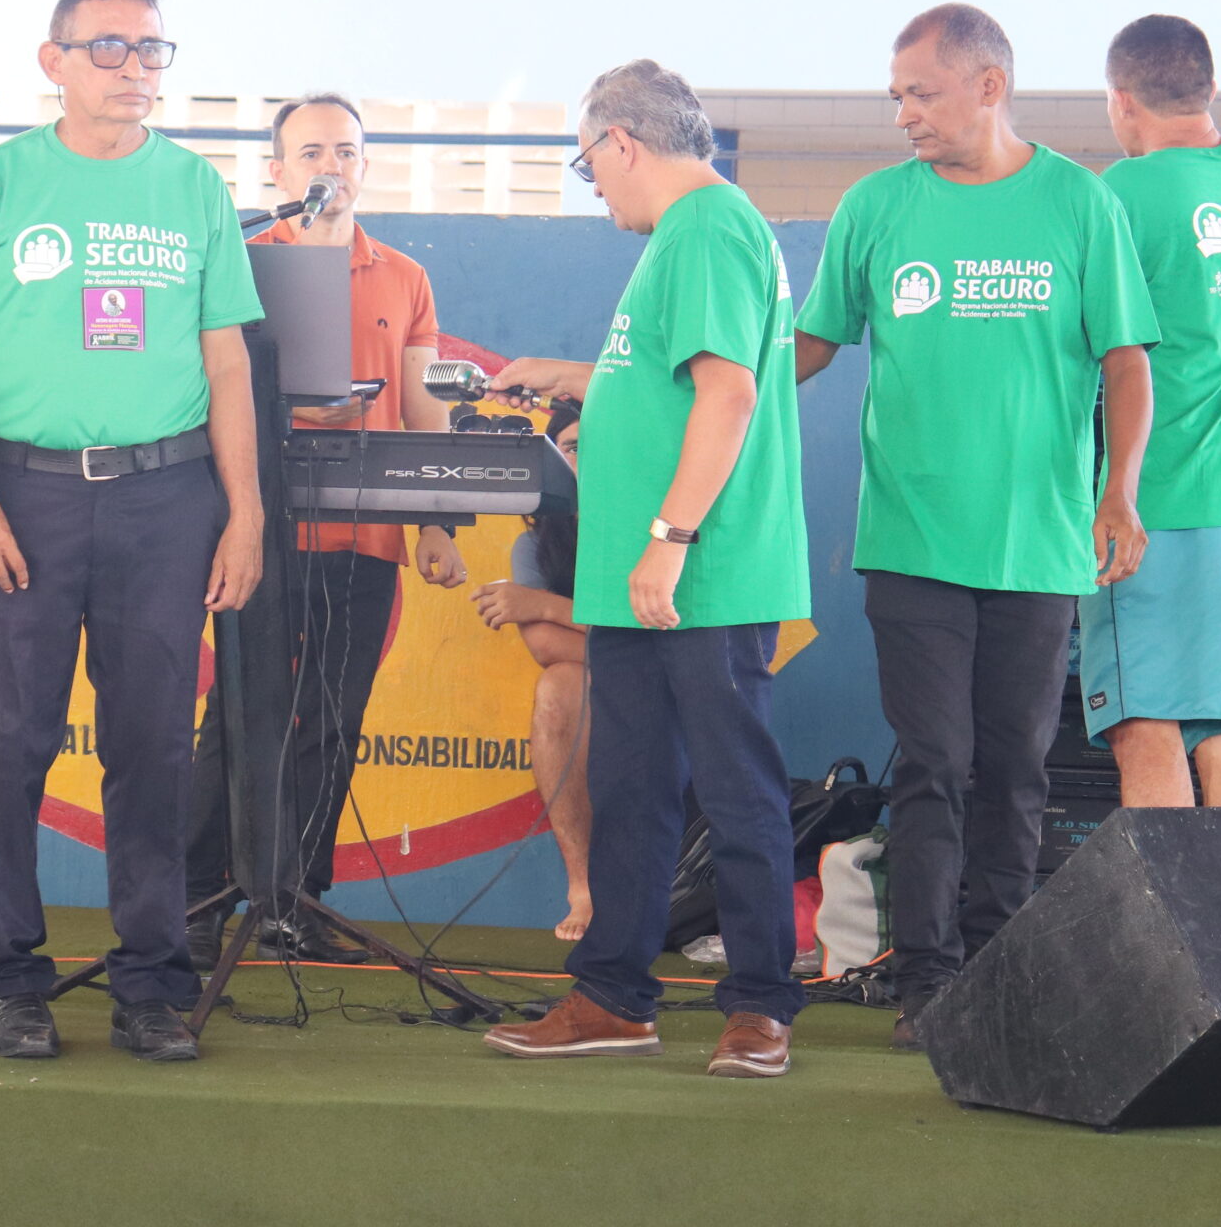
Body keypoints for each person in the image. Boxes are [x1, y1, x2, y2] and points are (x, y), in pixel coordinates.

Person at [792, 3, 1159, 1051]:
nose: (904, 113)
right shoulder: (874, 207)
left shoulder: (1080, 204)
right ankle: (930, 982)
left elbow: (1127, 360)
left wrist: (1119, 492)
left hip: (1038, 545)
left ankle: (997, 974)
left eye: (922, 92)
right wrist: (705, 399)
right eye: (896, 96)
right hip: (910, 540)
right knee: (932, 763)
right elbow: (810, 345)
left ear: (989, 86)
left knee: (1014, 768)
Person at [0, 0, 264, 1065]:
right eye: (109, 47)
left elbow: (226, 361)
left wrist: (246, 512)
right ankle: (13, 979)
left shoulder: (196, 188)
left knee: (152, 748)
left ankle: (151, 984)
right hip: (25, 495)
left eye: (152, 49)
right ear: (53, 61)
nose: (135, 68)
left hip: (168, 499)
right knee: (4, 745)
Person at [481, 59, 813, 1081]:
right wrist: (578, 379)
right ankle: (613, 996)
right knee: (629, 789)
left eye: (589, 167)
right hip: (643, 579)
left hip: (699, 573)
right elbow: (668, 383)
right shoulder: (688, 235)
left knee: (735, 790)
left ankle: (759, 1007)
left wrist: (669, 538)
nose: (596, 188)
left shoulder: (705, 229)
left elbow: (728, 394)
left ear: (620, 143)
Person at [183, 94, 466, 969]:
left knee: (333, 720)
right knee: (240, 716)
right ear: (277, 171)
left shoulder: (405, 276)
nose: (329, 167)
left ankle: (294, 901)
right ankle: (197, 900)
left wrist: (437, 520)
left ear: (365, 166)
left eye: (345, 151)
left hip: (365, 535)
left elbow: (423, 404)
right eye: (310, 152)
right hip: (258, 528)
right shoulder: (240, 263)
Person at [1088, 15, 1221, 806]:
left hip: (1166, 501)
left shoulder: (1122, 192)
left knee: (1145, 725)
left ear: (1121, 100)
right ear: (1209, 87)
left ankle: (1166, 901)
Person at [467, 401, 593, 939]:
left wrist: (541, 603)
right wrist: (604, 633)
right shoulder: (536, 542)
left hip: (673, 678)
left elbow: (656, 633)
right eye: (572, 448)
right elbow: (546, 647)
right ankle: (582, 886)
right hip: (603, 680)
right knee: (559, 686)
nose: (585, 460)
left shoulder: (657, 527)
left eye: (599, 445)